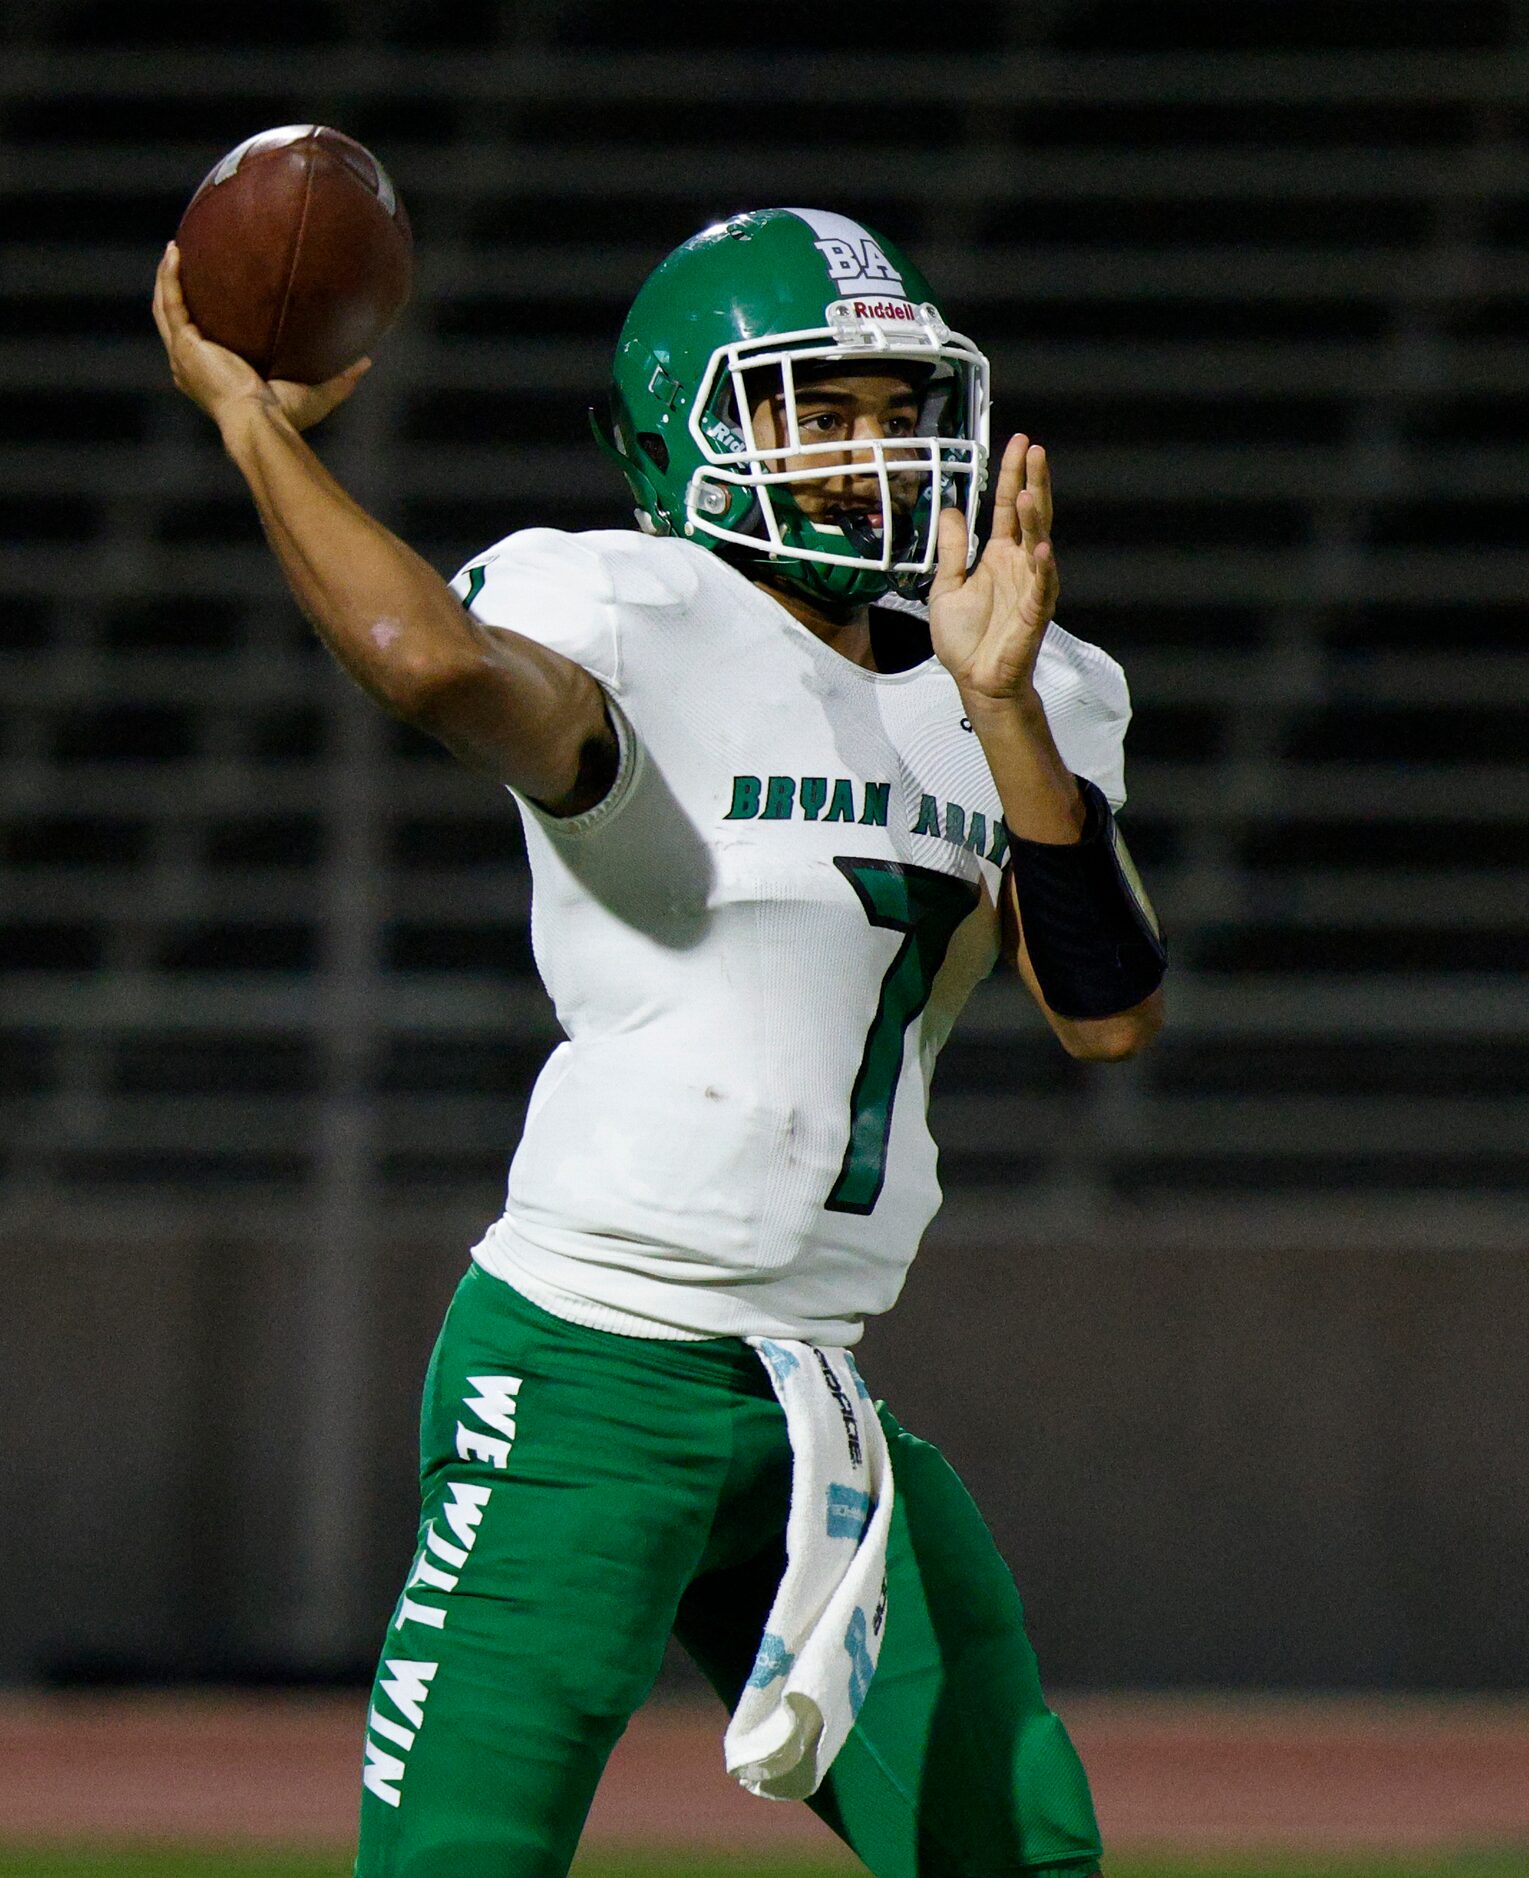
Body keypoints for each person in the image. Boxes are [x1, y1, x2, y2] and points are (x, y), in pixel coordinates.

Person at [153, 205, 1164, 1878]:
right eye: (812, 410)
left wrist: (996, 707)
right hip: (588, 1366)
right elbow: (424, 658)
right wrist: (252, 421)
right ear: (683, 432)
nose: (872, 451)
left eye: (894, 406)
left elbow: (1107, 1007)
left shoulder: (1036, 681)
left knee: (1021, 1848)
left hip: (817, 1392)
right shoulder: (630, 612)